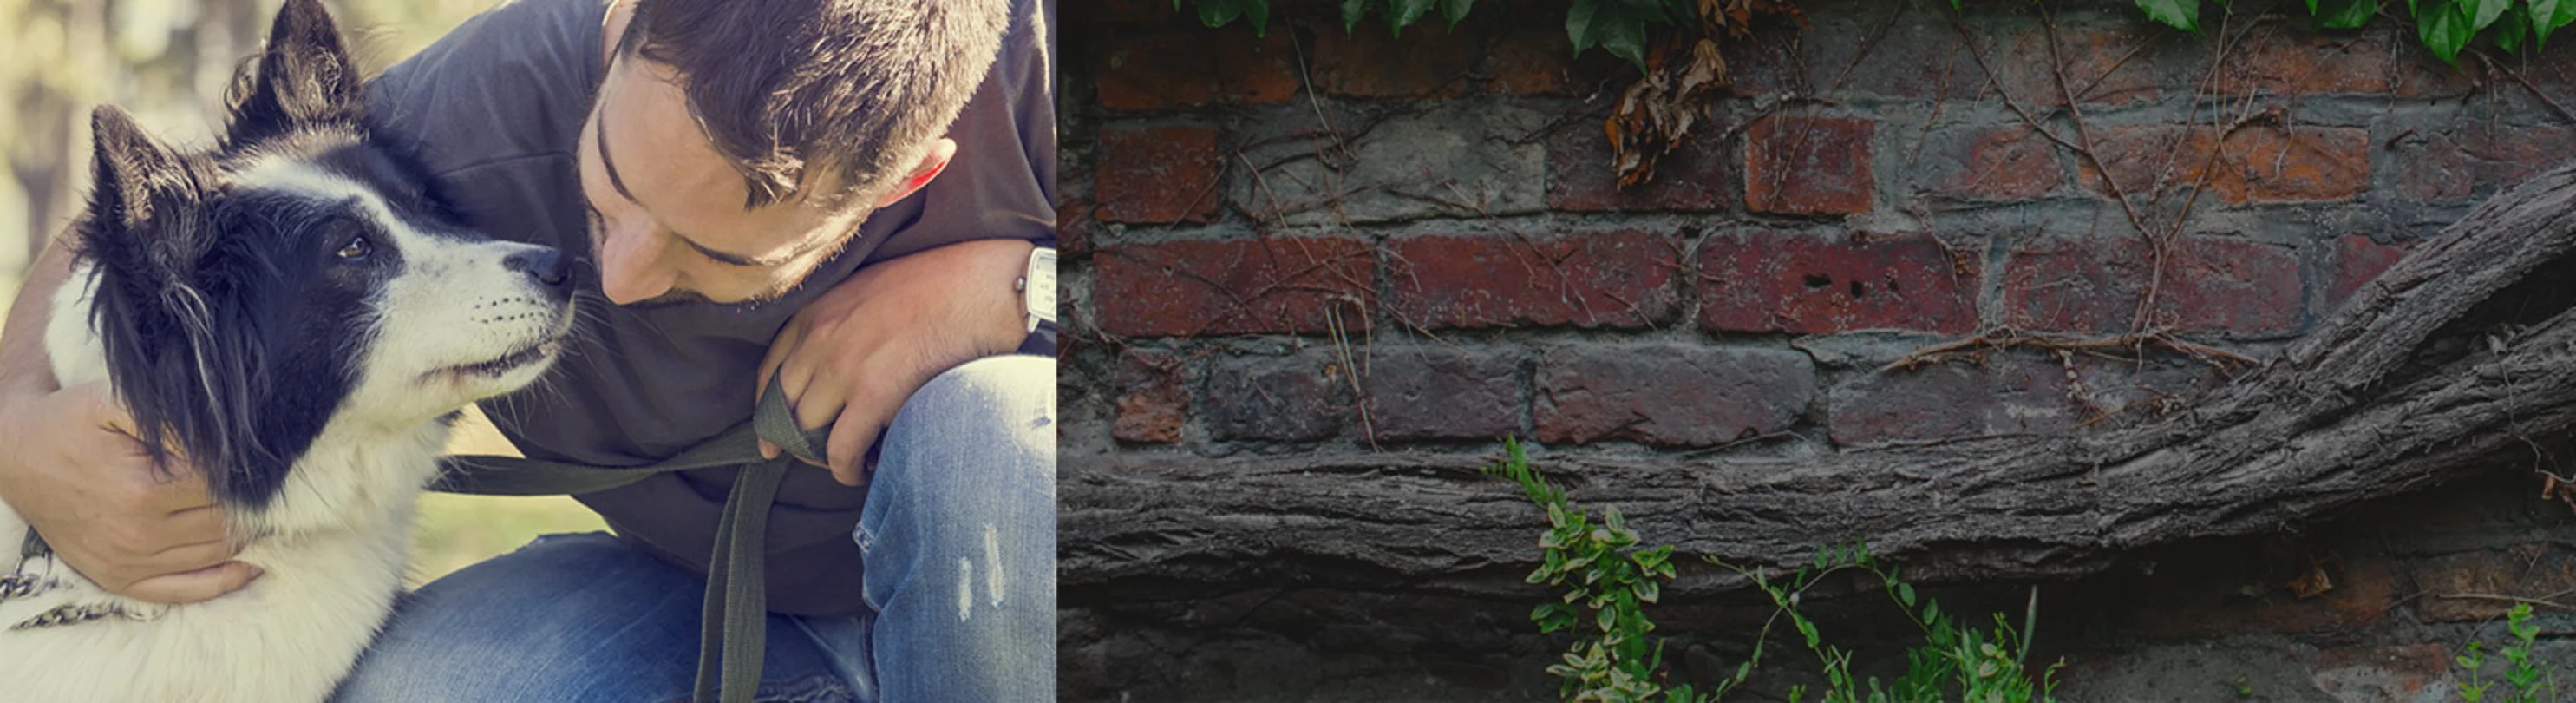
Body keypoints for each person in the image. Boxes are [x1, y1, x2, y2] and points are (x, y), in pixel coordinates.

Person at [0, 0, 1058, 700]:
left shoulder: (1054, 75)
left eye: (710, 252)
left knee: (996, 435)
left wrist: (1013, 288)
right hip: (680, 598)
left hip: (1020, 606)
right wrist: (13, 427)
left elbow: (1228, 311)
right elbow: (185, 207)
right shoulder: (489, 95)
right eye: (611, 189)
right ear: (621, 26)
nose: (621, 278)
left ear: (904, 180)